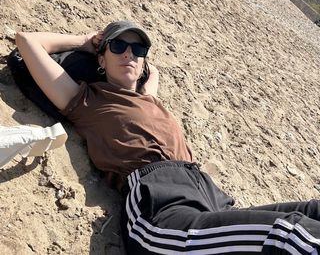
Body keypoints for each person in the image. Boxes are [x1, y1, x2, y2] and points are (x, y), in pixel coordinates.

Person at [16, 20, 320, 255]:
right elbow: (27, 41)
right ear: (101, 57)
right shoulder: (86, 99)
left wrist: (144, 68)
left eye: (138, 50)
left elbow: (154, 74)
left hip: (210, 198)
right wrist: (85, 40)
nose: (129, 54)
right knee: (291, 234)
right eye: (119, 45)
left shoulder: (149, 98)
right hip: (161, 211)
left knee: (313, 211)